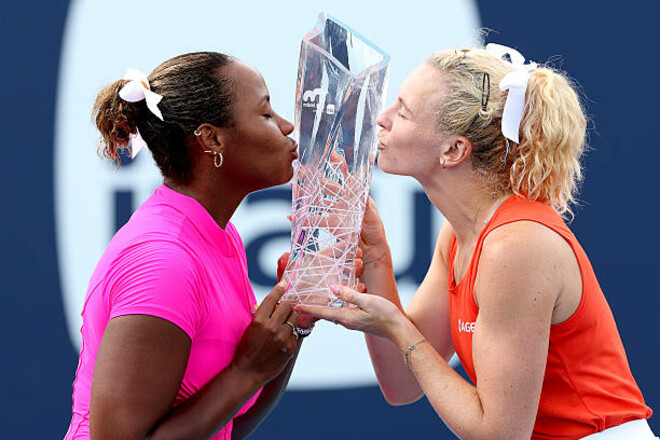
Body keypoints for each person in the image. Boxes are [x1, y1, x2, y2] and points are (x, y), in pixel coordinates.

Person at [296, 44, 657, 439]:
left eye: (403, 111)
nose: (382, 119)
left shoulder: (515, 247)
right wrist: (375, 257)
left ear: (453, 150)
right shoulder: (458, 234)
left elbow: (499, 435)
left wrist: (399, 327)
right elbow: (402, 383)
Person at [64, 51, 314, 440]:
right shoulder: (164, 261)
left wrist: (292, 323)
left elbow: (226, 427)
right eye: (266, 113)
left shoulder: (219, 235)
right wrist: (247, 370)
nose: (286, 126)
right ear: (213, 138)